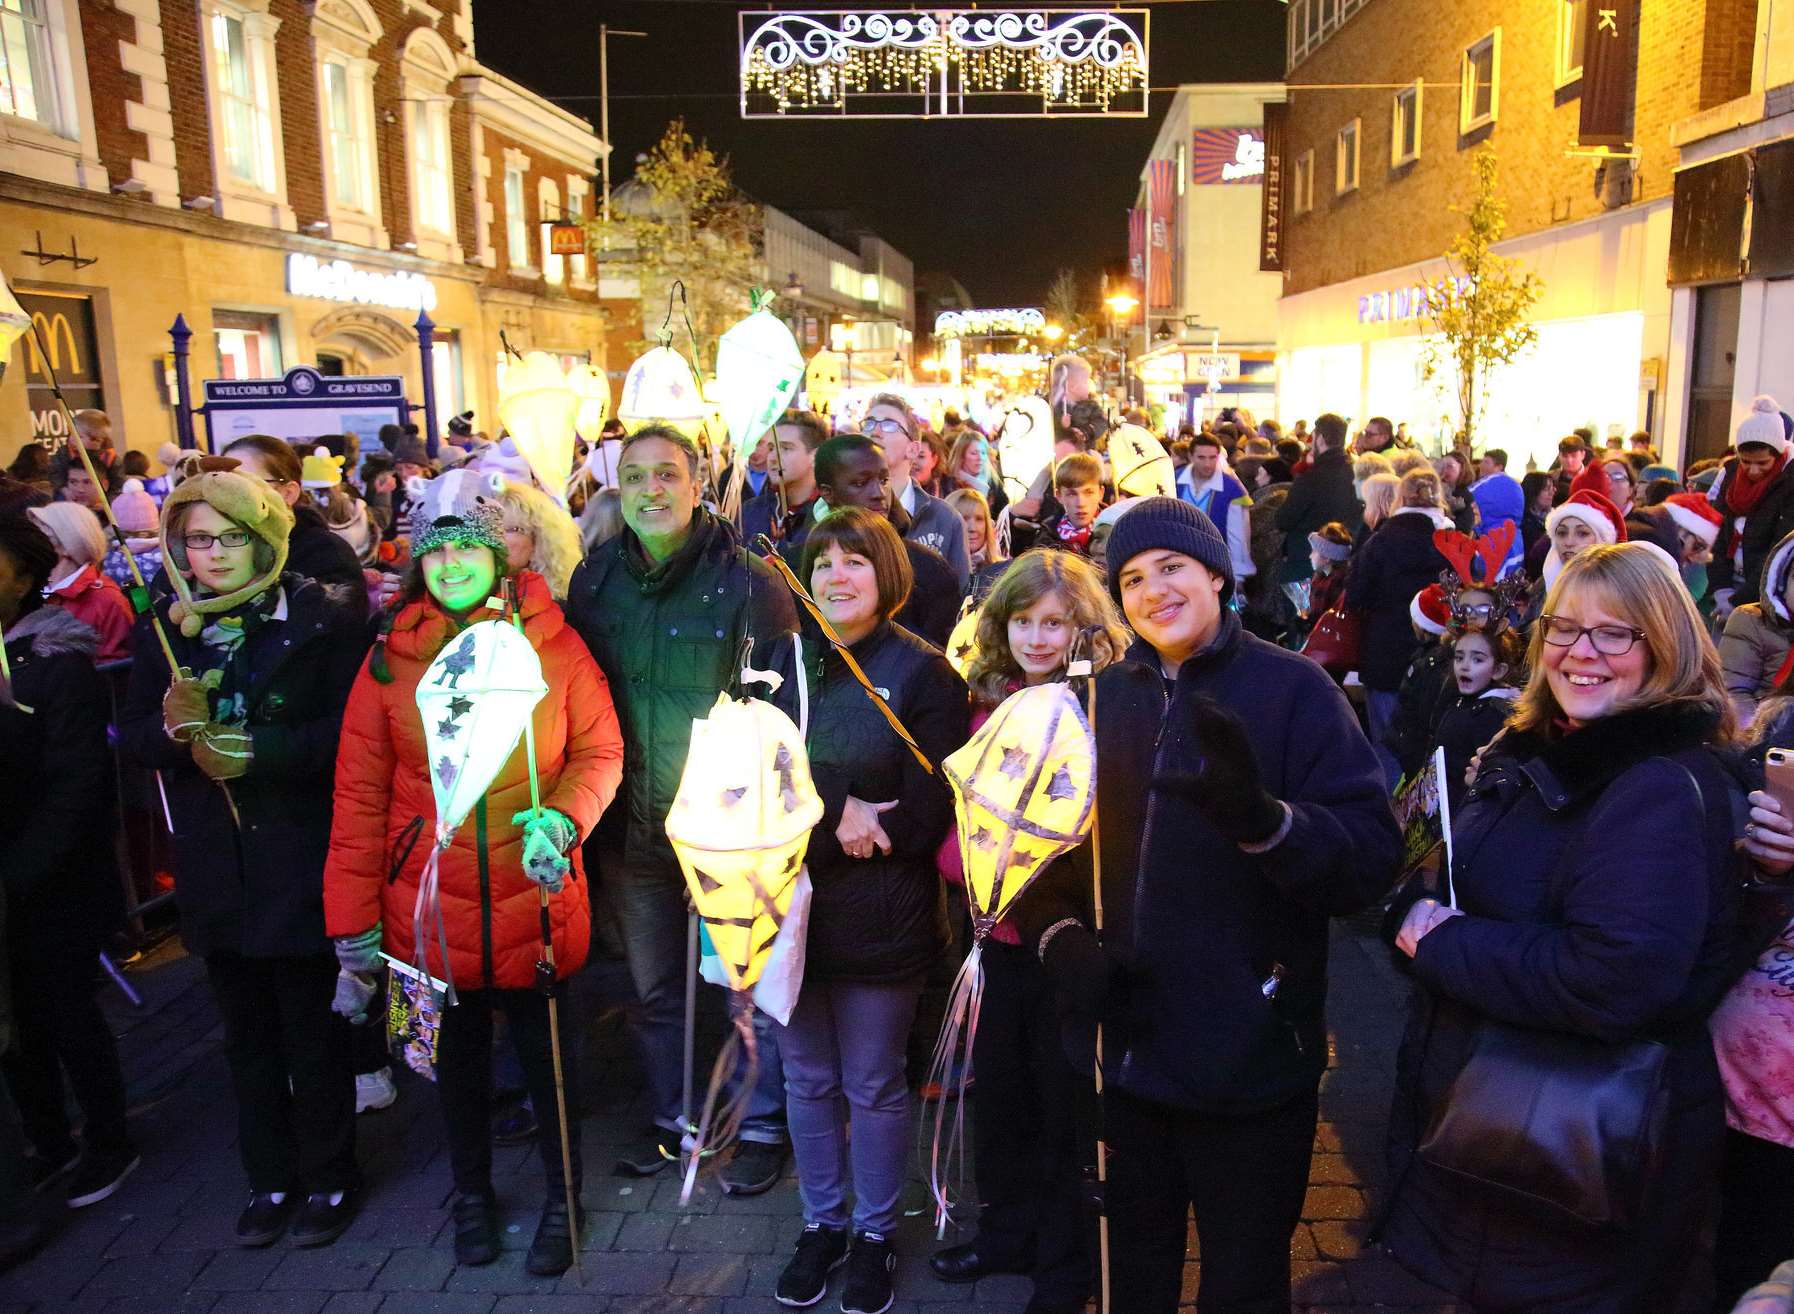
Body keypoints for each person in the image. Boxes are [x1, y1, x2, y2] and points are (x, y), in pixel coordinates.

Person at [1012, 497, 1400, 1313]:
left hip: (1251, 1062)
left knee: (1244, 1283)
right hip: (1124, 1059)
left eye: (1173, 567)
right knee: (1132, 1278)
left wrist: (1271, 825)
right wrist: (1060, 940)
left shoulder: (1295, 690)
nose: (1155, 590)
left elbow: (1369, 860)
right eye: (1133, 578)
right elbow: (1039, 858)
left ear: (1217, 574)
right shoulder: (1094, 701)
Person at [1378, 543, 1745, 1314]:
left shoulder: (1656, 787)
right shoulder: (1539, 750)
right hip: (1492, 1136)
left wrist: (1439, 940)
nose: (1583, 653)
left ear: (1666, 646)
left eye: (1616, 634)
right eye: (1565, 629)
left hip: (1571, 1159)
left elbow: (1611, 978)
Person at [325, 484, 623, 1274]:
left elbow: (599, 753)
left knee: (547, 1057)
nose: (453, 561)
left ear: (499, 554)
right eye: (439, 547)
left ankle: (565, 1197)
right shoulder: (390, 656)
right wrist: (351, 918)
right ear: (421, 560)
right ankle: (472, 1195)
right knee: (452, 1062)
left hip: (535, 892)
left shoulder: (553, 643)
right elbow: (359, 794)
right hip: (425, 899)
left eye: (468, 545)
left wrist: (562, 818)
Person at [117, 466, 368, 1248]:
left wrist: (260, 750)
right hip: (217, 868)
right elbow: (140, 742)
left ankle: (330, 1175)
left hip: (295, 855)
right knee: (245, 1036)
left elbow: (350, 738)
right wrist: (171, 729)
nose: (215, 554)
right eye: (198, 539)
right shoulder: (162, 627)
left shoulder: (322, 617)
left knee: (310, 1026)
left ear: (263, 537)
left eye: (231, 536)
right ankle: (269, 1177)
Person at [563, 423, 797, 1178]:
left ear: (698, 485)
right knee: (655, 988)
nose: (651, 491)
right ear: (618, 490)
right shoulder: (594, 580)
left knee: (743, 979)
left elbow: (781, 708)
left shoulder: (748, 582)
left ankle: (757, 1124)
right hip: (630, 829)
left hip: (727, 828)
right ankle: (677, 1115)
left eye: (667, 475)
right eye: (635, 477)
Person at [769, 508, 968, 1314]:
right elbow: (743, 778)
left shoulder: (925, 676)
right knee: (806, 1077)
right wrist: (838, 812)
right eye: (822, 565)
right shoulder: (781, 663)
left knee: (875, 1083)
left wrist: (835, 813)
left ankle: (876, 1233)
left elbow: (923, 817)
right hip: (786, 910)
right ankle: (822, 1224)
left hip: (883, 917)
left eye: (854, 561)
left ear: (886, 575)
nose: (836, 577)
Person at [929, 550, 1128, 1314]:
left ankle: (1062, 1263)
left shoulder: (1098, 709)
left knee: (1060, 1108)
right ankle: (1004, 1231)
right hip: (990, 941)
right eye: (1024, 622)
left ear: (1085, 629)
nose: (1039, 639)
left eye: (1056, 623)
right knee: (1000, 1097)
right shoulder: (986, 701)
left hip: (1060, 943)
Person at [0, 515, 136, 1212]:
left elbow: (76, 784)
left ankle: (109, 1138)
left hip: (56, 879)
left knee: (64, 1009)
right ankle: (47, 1139)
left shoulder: (55, 664)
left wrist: (20, 872)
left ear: (23, 576)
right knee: (16, 1022)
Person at [1345, 470, 1451, 783]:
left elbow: (1356, 596)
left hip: (1385, 650)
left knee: (1388, 742)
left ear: (1400, 499)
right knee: (1431, 740)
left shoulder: (1380, 541)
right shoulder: (1450, 541)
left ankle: (1390, 815)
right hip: (1439, 654)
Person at [813, 434, 960, 647]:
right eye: (860, 483)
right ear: (828, 493)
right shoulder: (793, 566)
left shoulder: (929, 569)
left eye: (883, 480)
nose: (879, 493)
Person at [221, 435, 368, 618]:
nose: (230, 495)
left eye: (248, 484)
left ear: (288, 493)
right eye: (223, 483)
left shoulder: (324, 551)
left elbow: (339, 630)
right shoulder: (209, 545)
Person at [861, 394, 971, 590]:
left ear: (913, 449)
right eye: (868, 423)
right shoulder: (838, 513)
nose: (875, 432)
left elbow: (959, 595)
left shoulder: (944, 519)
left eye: (889, 425)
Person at [1709, 397, 1794, 622]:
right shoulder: (1731, 474)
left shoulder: (1790, 483)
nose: (1753, 470)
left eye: (1763, 463)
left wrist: (1739, 600)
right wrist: (1721, 589)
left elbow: (1778, 550)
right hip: (1727, 585)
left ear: (1777, 455)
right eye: (1746, 462)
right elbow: (1717, 533)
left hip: (1767, 593)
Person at [25, 502, 134, 663]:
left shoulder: (106, 600)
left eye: (42, 537)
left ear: (67, 547)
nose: (32, 544)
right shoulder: (28, 589)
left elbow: (114, 671)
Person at [1431, 624, 1524, 811]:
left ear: (1498, 670)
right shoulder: (1460, 701)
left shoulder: (1494, 714)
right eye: (1459, 657)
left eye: (1477, 660)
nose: (1464, 666)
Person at [1276, 412, 1361, 599]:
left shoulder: (1311, 478)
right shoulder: (1356, 474)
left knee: (1302, 619)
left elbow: (1284, 519)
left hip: (1306, 561)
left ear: (1320, 438)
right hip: (1344, 562)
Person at [1719, 528, 1794, 724]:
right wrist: (1756, 736)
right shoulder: (1751, 621)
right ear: (1781, 581)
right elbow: (1734, 692)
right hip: (1764, 735)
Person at [742, 410, 826, 556]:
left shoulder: (828, 516)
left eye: (786, 448)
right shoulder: (750, 511)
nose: (773, 457)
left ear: (815, 456)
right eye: (771, 448)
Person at [1176, 432, 1254, 585]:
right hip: (1179, 560)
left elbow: (1238, 535)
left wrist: (1237, 577)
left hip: (1215, 563)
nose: (1207, 464)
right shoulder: (1174, 480)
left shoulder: (1231, 488)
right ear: (1191, 457)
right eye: (1201, 457)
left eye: (1212, 458)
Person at [492, 478, 583, 601]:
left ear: (539, 541)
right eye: (491, 527)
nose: (495, 537)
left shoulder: (564, 608)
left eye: (511, 529)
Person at [945, 486, 1008, 603]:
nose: (973, 528)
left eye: (979, 519)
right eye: (964, 518)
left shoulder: (1005, 572)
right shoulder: (936, 571)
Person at [1470, 449, 1524, 574]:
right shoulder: (1515, 485)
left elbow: (1468, 496)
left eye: (1486, 462)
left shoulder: (1492, 483)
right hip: (1514, 544)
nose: (1481, 466)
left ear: (1499, 466)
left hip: (1492, 541)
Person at [1519, 471, 1554, 565]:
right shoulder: (1523, 523)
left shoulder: (1555, 518)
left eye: (1552, 488)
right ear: (1534, 491)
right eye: (1547, 489)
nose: (1552, 492)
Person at [1551, 433, 1590, 505]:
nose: (1569, 460)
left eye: (1574, 456)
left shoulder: (1591, 478)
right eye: (1565, 456)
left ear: (1583, 455)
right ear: (1559, 456)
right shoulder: (1551, 479)